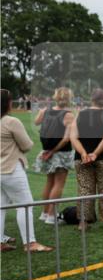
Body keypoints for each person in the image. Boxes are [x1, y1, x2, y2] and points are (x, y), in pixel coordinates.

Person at [1, 89, 53, 252]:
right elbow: (27, 145)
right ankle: (30, 243)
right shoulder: (11, 121)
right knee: (25, 205)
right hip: (11, 169)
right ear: (8, 104)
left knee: (1, 207)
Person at [69, 88, 103, 230]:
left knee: (84, 189)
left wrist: (84, 153)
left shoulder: (79, 115)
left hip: (81, 157)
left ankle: (83, 223)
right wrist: (95, 153)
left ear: (92, 99)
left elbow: (73, 137)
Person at [33, 87, 75, 225]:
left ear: (55, 97)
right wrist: (53, 152)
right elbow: (66, 139)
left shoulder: (45, 111)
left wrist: (43, 111)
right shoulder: (68, 115)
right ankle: (52, 216)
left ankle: (45, 213)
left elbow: (36, 122)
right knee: (58, 184)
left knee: (49, 182)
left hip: (47, 150)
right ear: (69, 99)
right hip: (60, 153)